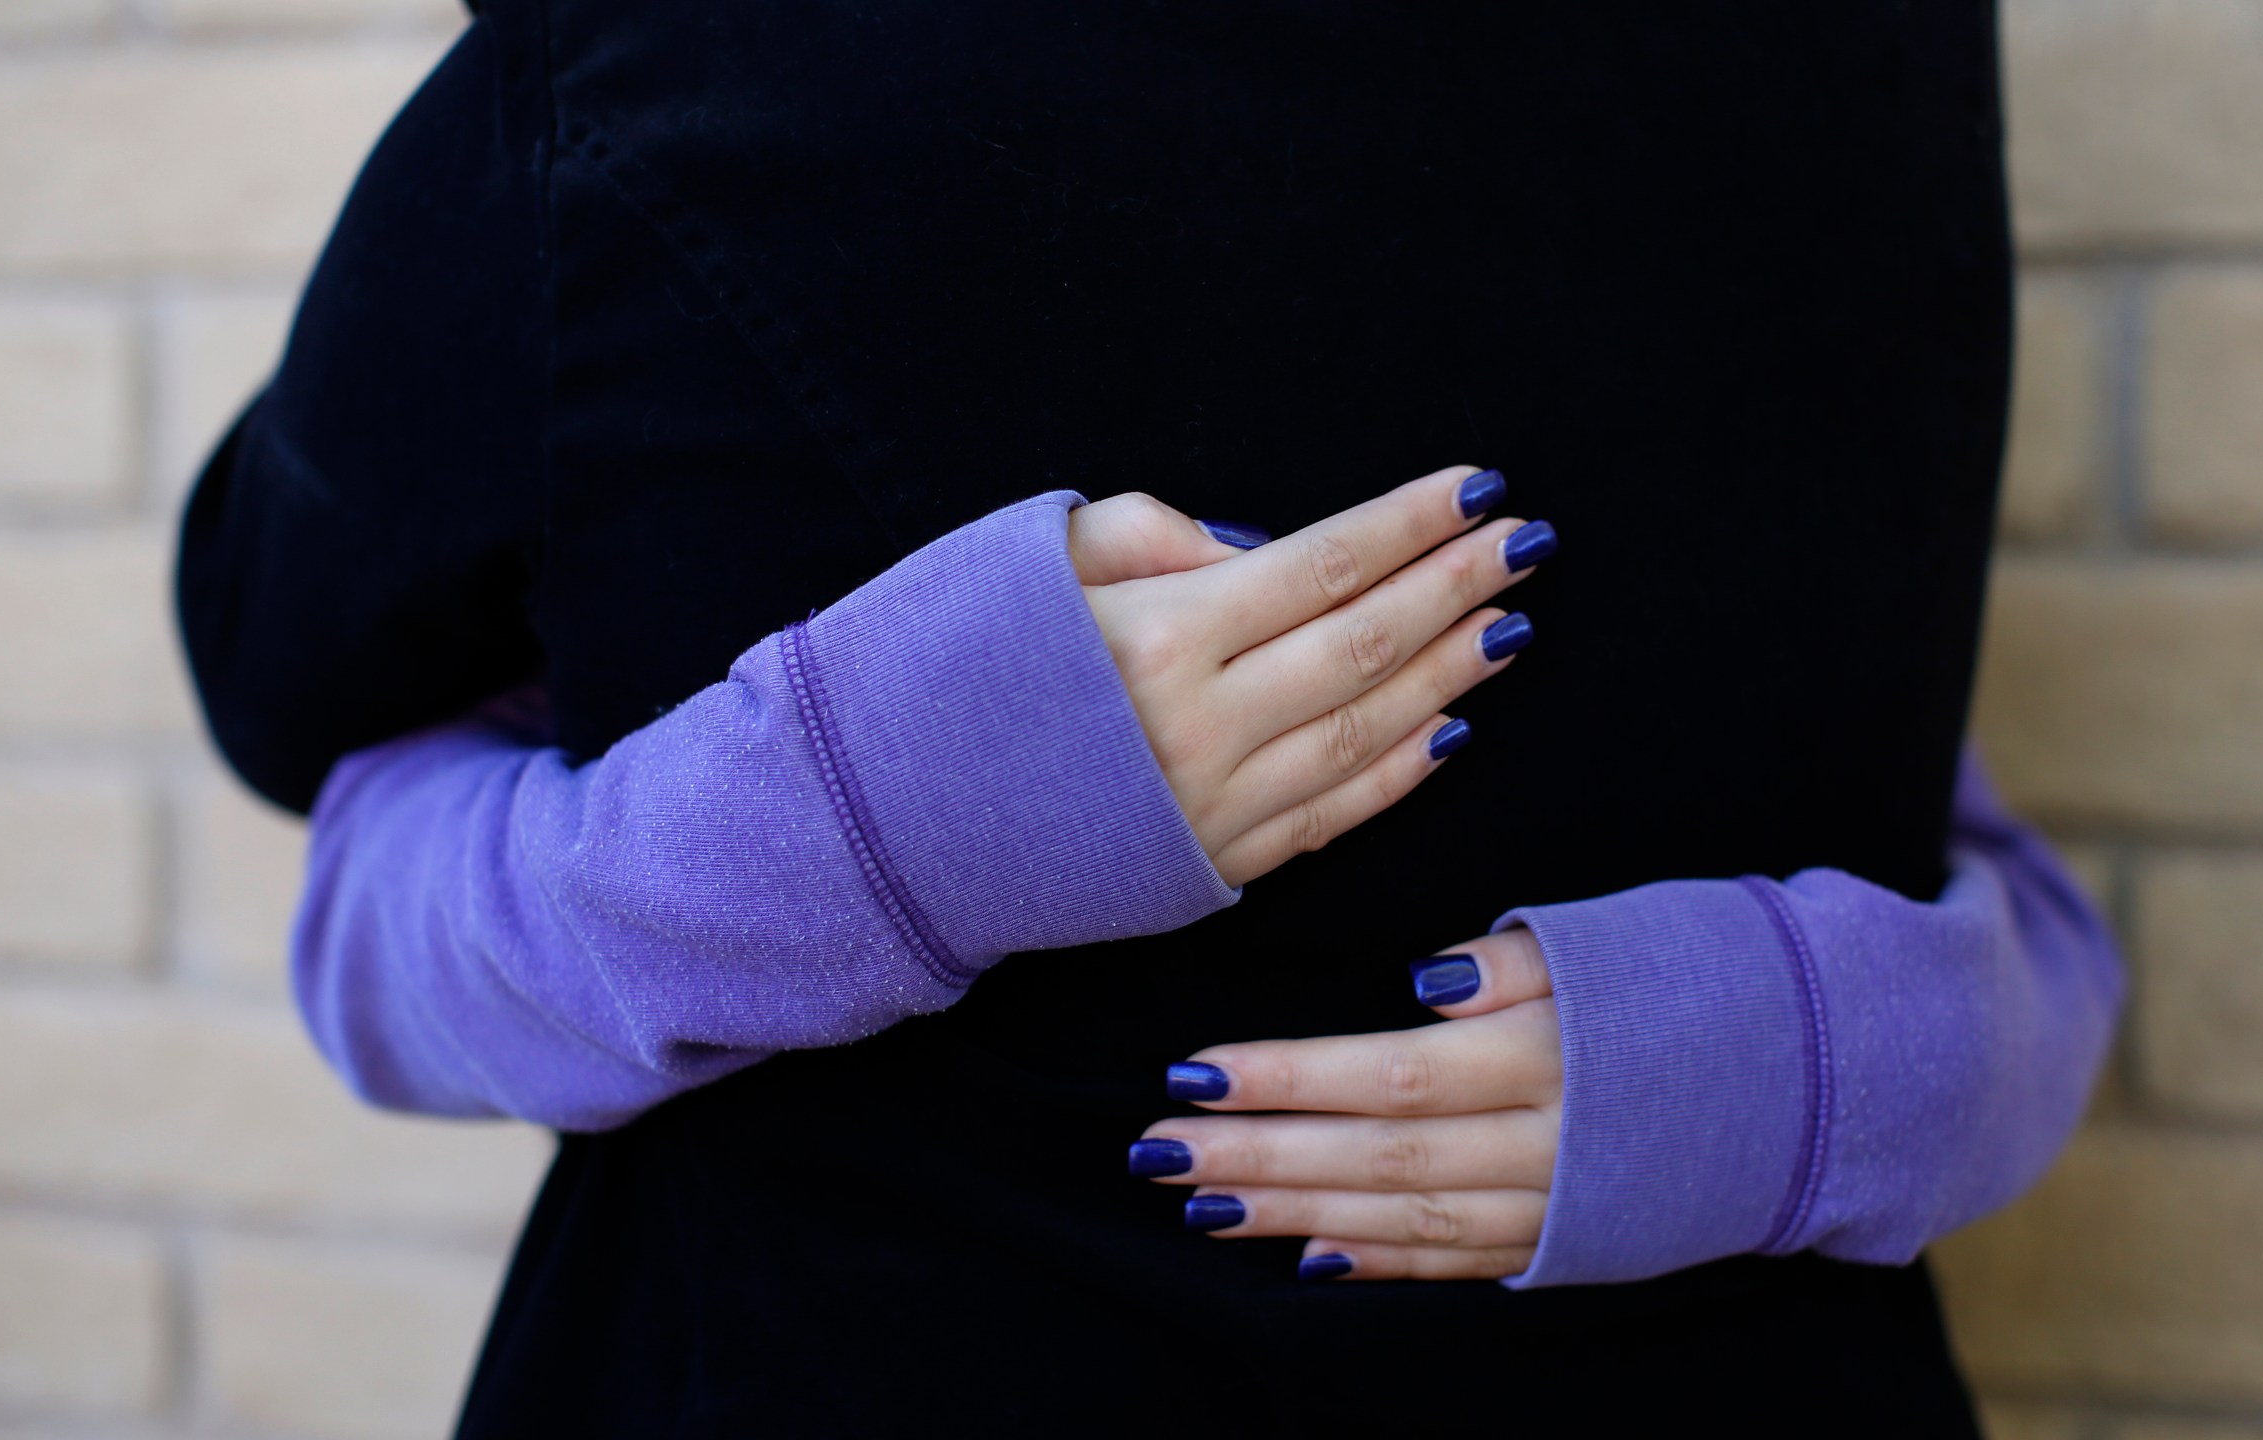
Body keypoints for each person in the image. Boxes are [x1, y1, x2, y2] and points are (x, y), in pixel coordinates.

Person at [175, 1, 2121, 1431]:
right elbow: (1916, 802)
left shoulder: (652, 68)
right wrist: (1872, 1050)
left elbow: (306, 747)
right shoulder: (1893, 55)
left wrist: (830, 816)